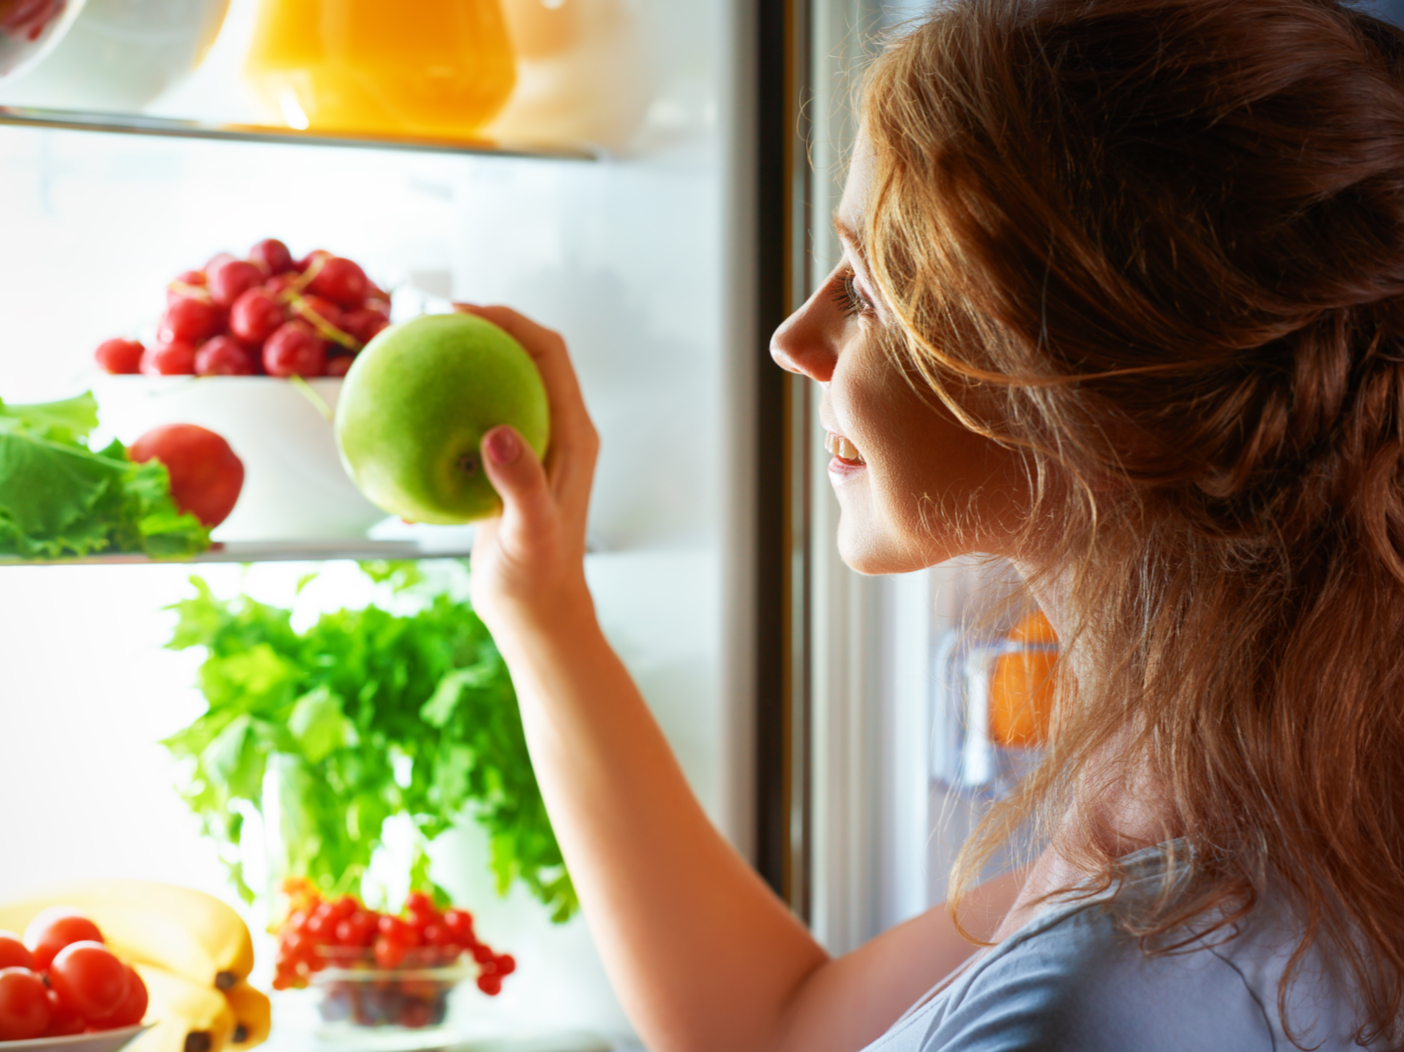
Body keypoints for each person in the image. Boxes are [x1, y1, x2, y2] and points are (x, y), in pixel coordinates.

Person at [454, 0, 1404, 1048]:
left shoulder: (1093, 997)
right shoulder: (1246, 820)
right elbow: (777, 1028)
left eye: (867, 288)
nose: (793, 338)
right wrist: (545, 613)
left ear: (1093, 385)